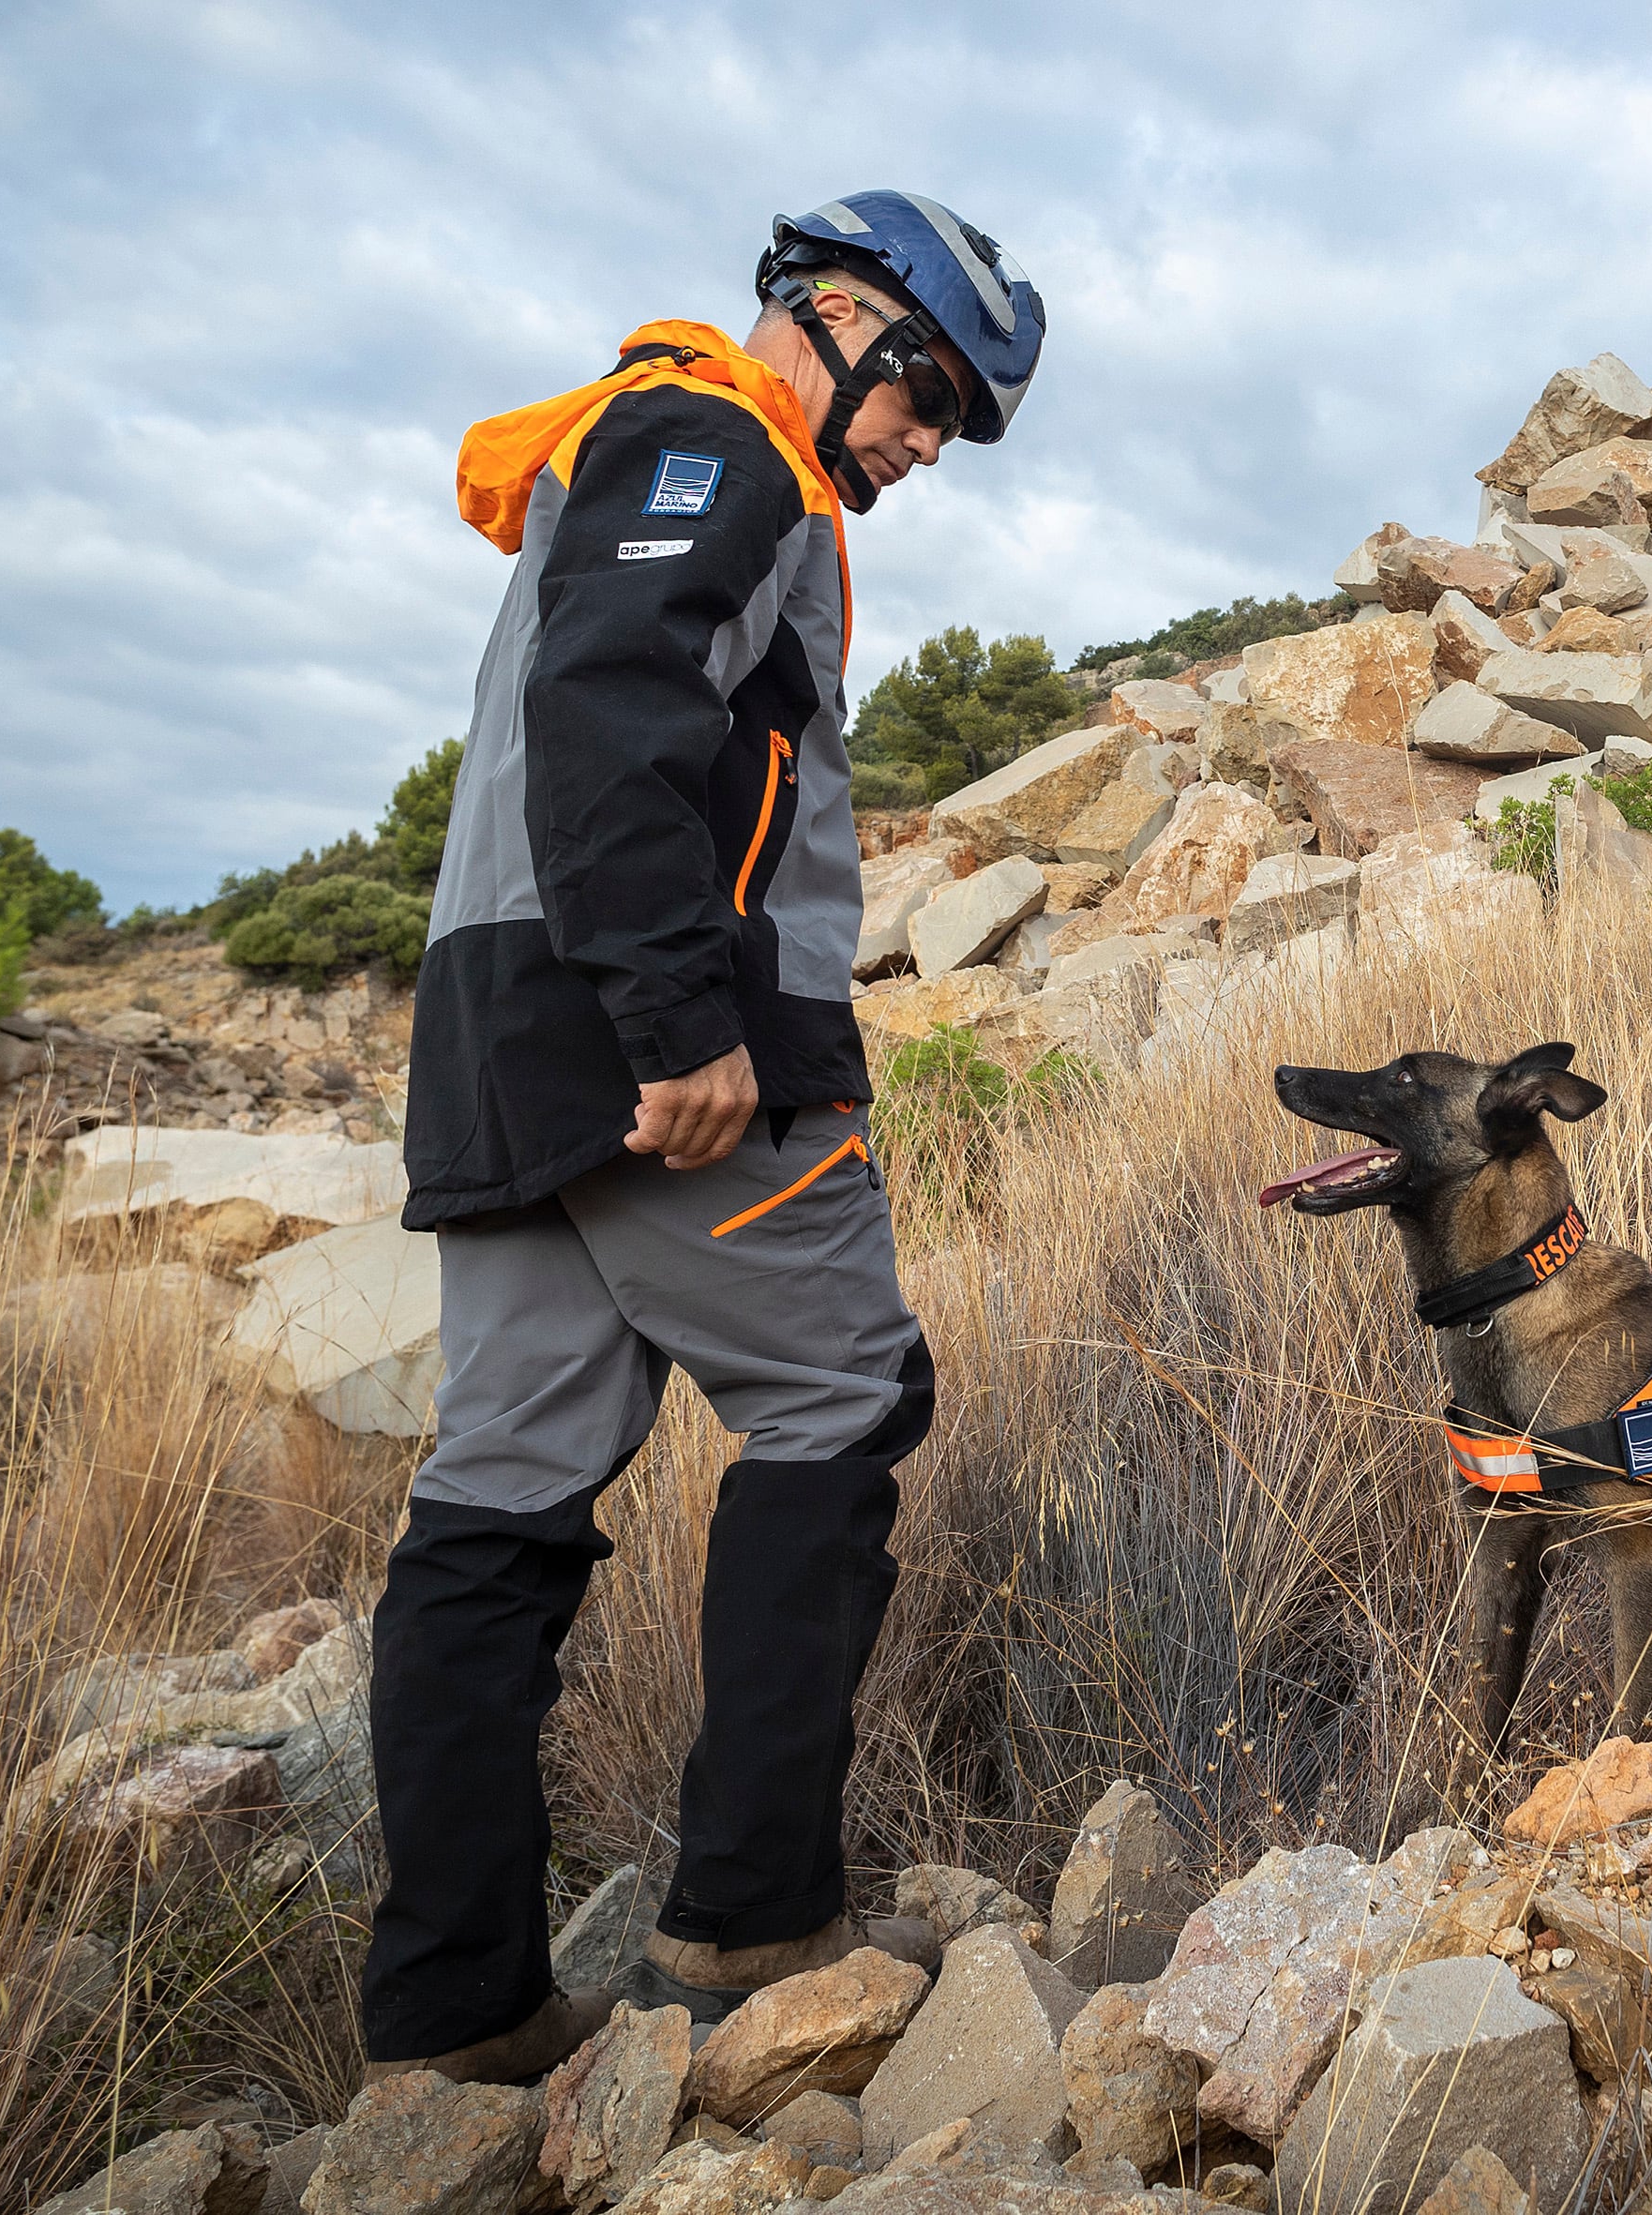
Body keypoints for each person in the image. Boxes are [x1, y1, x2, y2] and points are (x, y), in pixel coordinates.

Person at [358, 191, 1044, 2085]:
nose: (929, 440)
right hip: (649, 1040)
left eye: (961, 424)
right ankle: (754, 1918)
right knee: (840, 1394)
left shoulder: (628, 454)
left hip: (496, 1045)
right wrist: (680, 1018)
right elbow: (613, 709)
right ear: (832, 316)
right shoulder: (713, 439)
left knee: (498, 1494)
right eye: (928, 390)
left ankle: (458, 2017)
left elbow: (588, 712)